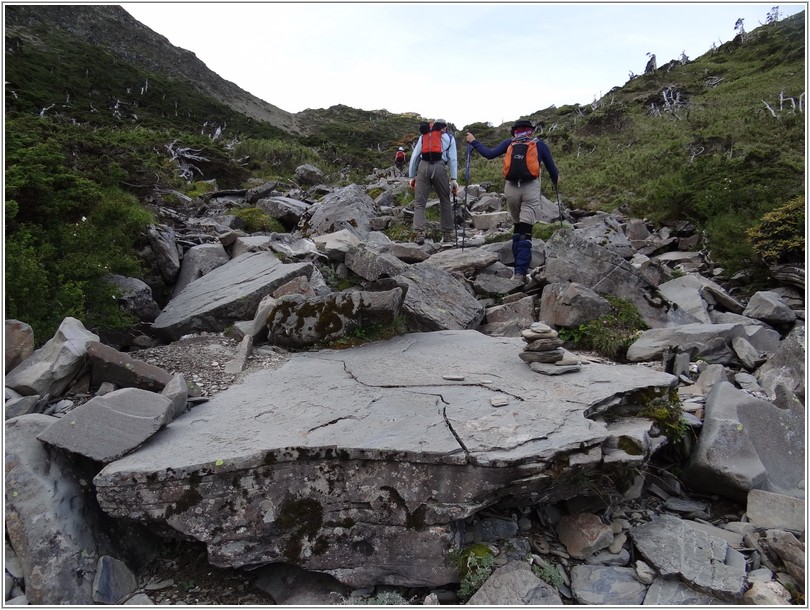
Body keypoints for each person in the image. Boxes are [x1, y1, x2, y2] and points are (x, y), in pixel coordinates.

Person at [466, 119, 559, 282]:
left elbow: (488, 154)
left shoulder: (510, 143)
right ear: (530, 130)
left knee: (517, 227)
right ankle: (520, 272)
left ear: (514, 131)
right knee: (526, 231)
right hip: (530, 188)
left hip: (510, 189)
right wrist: (555, 182)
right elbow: (553, 171)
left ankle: (517, 267)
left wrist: (473, 141)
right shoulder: (538, 144)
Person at [407, 119, 458, 245]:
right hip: (440, 167)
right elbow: (453, 159)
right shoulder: (449, 139)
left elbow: (415, 156)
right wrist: (453, 179)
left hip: (423, 167)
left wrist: (412, 176)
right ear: (444, 127)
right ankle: (448, 234)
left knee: (419, 203)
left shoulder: (424, 136)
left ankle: (419, 233)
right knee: (445, 200)